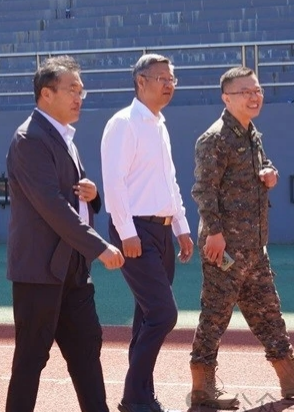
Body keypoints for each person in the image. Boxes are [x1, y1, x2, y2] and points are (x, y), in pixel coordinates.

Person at [189, 66, 294, 407]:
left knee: (269, 312)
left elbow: (262, 167)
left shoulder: (252, 134)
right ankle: (201, 388)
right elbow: (203, 190)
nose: (255, 97)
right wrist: (215, 233)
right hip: (225, 249)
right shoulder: (214, 139)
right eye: (246, 92)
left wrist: (269, 173)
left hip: (254, 246)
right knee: (215, 316)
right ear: (227, 98)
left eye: (257, 90)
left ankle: (290, 376)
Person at [5, 55, 125, 412]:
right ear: (46, 94)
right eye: (72, 89)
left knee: (87, 350)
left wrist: (93, 194)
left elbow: (71, 195)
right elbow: (52, 205)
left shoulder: (63, 137)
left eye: (81, 90)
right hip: (40, 271)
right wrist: (99, 246)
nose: (79, 97)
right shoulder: (30, 138)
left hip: (73, 267)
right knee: (31, 358)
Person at [100, 54, 194, 412]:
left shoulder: (159, 125)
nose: (169, 85)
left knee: (146, 315)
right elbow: (114, 181)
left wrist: (181, 227)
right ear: (141, 81)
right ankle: (133, 396)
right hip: (135, 230)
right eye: (161, 79)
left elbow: (170, 181)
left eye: (172, 79)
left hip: (162, 231)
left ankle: (142, 395)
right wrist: (126, 232)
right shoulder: (123, 123)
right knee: (163, 314)